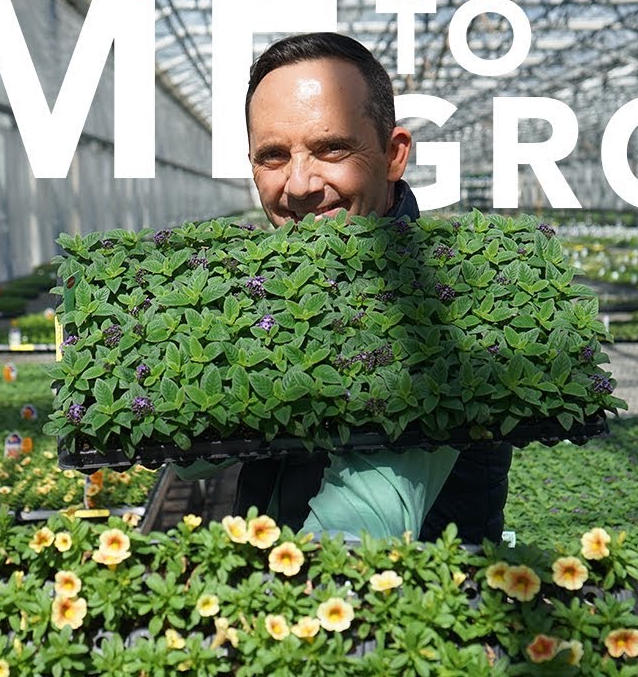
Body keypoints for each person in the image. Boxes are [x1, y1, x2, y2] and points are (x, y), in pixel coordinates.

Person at [181, 32, 513, 543]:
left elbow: (354, 537)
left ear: (393, 155)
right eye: (273, 156)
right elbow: (190, 456)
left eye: (331, 148)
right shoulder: (284, 282)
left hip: (385, 590)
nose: (299, 185)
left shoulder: (442, 311)